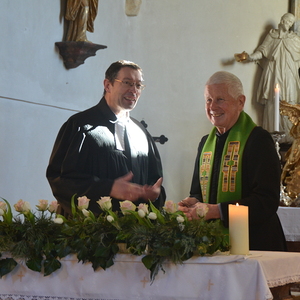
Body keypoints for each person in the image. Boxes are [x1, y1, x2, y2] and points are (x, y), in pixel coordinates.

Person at [179, 71, 286, 251]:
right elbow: (198, 193)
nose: (212, 106)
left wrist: (216, 211)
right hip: (213, 244)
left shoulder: (258, 140)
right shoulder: (206, 143)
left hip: (256, 244)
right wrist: (191, 203)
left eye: (220, 99)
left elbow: (266, 201)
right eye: (208, 100)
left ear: (240, 102)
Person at [46, 60, 165, 215]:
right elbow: (60, 180)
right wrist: (108, 188)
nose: (134, 90)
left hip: (133, 231)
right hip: (89, 231)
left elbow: (156, 181)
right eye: (127, 82)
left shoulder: (141, 132)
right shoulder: (81, 126)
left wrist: (153, 195)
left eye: (138, 85)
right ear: (107, 85)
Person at [236, 13, 300, 141]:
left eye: (290, 23)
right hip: (274, 73)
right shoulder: (272, 35)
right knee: (273, 101)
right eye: (286, 21)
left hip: (289, 75)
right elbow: (262, 51)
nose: (288, 25)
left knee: (290, 102)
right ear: (281, 21)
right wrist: (249, 57)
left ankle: (290, 139)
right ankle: (272, 137)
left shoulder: (294, 39)